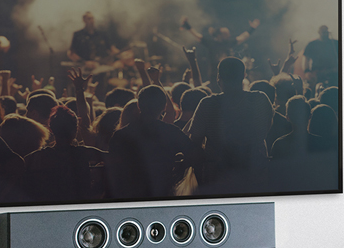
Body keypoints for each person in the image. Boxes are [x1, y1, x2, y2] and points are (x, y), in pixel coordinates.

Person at [187, 56, 273, 193]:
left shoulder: (207, 104)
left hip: (217, 177)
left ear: (218, 78)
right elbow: (264, 132)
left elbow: (194, 143)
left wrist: (201, 179)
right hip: (253, 175)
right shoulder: (260, 100)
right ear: (244, 76)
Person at [107, 85, 199, 200]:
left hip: (128, 196)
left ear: (139, 105)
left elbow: (112, 170)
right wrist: (179, 171)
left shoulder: (120, 135)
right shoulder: (171, 132)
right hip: (162, 193)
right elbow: (195, 154)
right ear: (164, 106)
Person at [23, 105, 105, 204]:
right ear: (75, 130)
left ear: (51, 129)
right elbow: (114, 157)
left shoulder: (38, 157)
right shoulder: (85, 153)